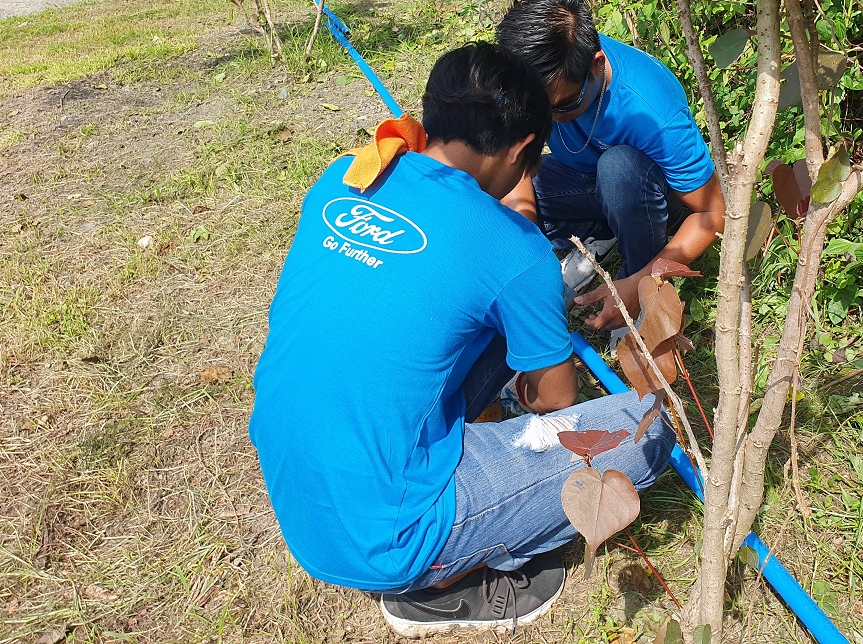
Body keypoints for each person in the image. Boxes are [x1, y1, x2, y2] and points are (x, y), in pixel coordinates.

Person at [249, 42, 674, 637]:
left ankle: (453, 467)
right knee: (647, 428)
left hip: (303, 492)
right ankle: (440, 579)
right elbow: (554, 400)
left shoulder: (347, 175)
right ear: (524, 151)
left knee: (462, 329)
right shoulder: (513, 249)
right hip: (393, 538)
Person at [498, 0, 725, 334]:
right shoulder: (532, 79)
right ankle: (599, 234)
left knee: (619, 169)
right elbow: (514, 163)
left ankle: (637, 287)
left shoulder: (650, 110)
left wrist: (645, 279)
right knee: (491, 180)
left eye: (561, 106)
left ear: (596, 63)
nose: (547, 121)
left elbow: (713, 214)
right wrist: (524, 242)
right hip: (590, 178)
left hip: (654, 194)